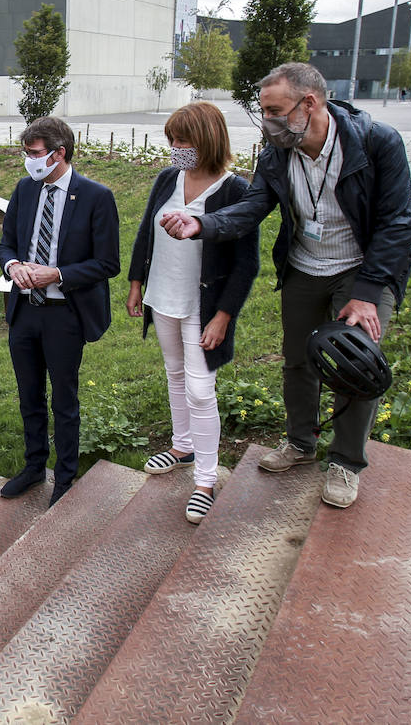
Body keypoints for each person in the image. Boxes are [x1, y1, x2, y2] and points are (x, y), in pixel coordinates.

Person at [164, 62, 411, 509]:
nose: (267, 121)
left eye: (274, 110)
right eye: (263, 111)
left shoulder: (378, 143)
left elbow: (397, 224)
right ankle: (301, 444)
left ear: (310, 103)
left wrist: (368, 293)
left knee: (353, 364)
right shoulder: (278, 151)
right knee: (297, 361)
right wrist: (201, 224)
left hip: (362, 271)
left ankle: (346, 461)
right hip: (304, 267)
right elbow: (252, 207)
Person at [127, 103, 259, 524]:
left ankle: (206, 481)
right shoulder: (168, 178)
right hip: (163, 295)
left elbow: (247, 263)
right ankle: (182, 447)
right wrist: (135, 283)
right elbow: (146, 230)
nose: (175, 148)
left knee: (201, 390)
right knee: (175, 374)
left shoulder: (236, 191)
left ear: (207, 140)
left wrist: (224, 316)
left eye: (183, 140)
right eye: (172, 140)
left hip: (204, 308)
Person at [0, 116, 120, 506]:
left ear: (59, 153)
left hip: (64, 313)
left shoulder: (96, 196)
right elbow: (7, 244)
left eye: (34, 154)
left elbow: (108, 263)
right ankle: (35, 467)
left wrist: (59, 274)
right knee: (28, 395)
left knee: (63, 400)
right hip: (24, 311)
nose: (28, 161)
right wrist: (12, 266)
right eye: (26, 153)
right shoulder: (25, 189)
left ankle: (65, 477)